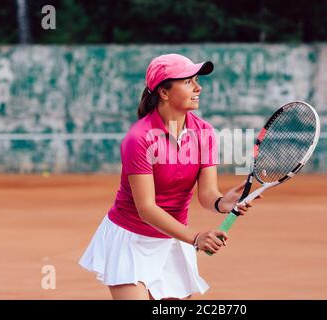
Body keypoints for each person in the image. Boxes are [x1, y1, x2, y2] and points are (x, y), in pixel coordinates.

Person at [79, 53, 261, 300]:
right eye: (188, 82)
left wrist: (222, 203)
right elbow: (146, 208)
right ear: (164, 92)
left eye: (197, 80)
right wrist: (196, 238)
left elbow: (207, 193)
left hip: (173, 239)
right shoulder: (139, 138)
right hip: (131, 240)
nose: (198, 88)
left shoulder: (204, 132)